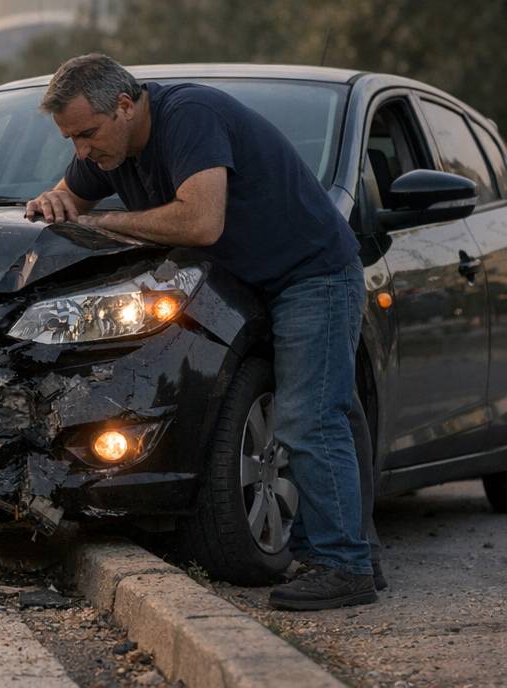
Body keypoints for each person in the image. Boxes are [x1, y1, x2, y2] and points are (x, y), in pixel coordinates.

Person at [24, 53, 378, 612]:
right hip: (248, 283)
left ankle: (341, 566)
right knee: (332, 416)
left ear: (124, 105)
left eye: (87, 134)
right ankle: (359, 555)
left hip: (312, 276)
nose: (82, 152)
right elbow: (70, 198)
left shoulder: (190, 115)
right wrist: (54, 201)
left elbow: (201, 221)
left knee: (311, 418)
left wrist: (102, 220)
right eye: (71, 139)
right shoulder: (107, 147)